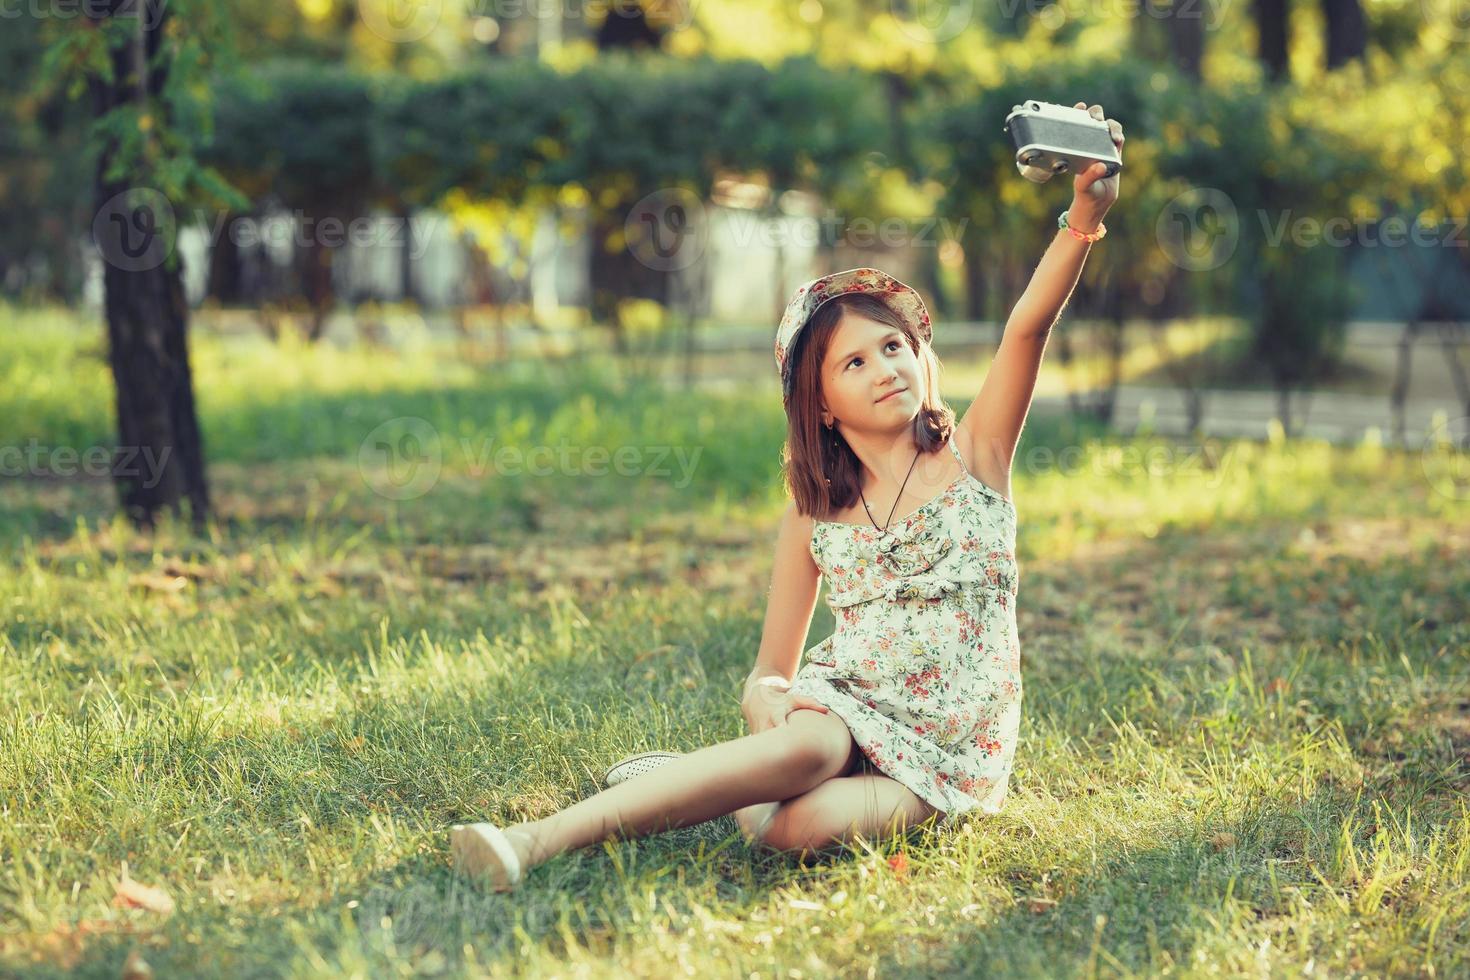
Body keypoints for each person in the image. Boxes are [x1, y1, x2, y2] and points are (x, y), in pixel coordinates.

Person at [451, 103, 1124, 892]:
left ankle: (712, 780)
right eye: (854, 364)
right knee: (805, 749)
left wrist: (1083, 215)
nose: (885, 369)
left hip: (953, 754)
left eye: (894, 347)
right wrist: (774, 710)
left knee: (786, 829)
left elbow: (1026, 330)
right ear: (820, 404)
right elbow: (769, 673)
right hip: (841, 717)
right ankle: (532, 841)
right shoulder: (813, 514)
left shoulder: (976, 457)